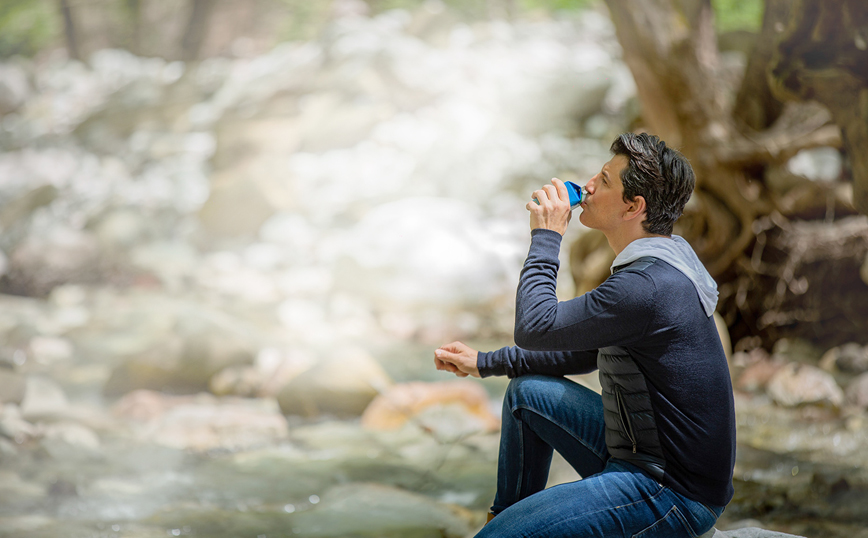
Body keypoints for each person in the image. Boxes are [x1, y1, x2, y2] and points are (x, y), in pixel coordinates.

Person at [434, 132, 735, 537]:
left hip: (670, 493)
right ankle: (509, 520)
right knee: (527, 395)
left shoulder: (645, 286)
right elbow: (583, 352)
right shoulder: (658, 265)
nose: (588, 185)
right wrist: (485, 362)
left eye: (606, 181)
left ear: (634, 206)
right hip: (638, 456)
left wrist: (546, 236)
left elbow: (535, 327)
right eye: (598, 173)